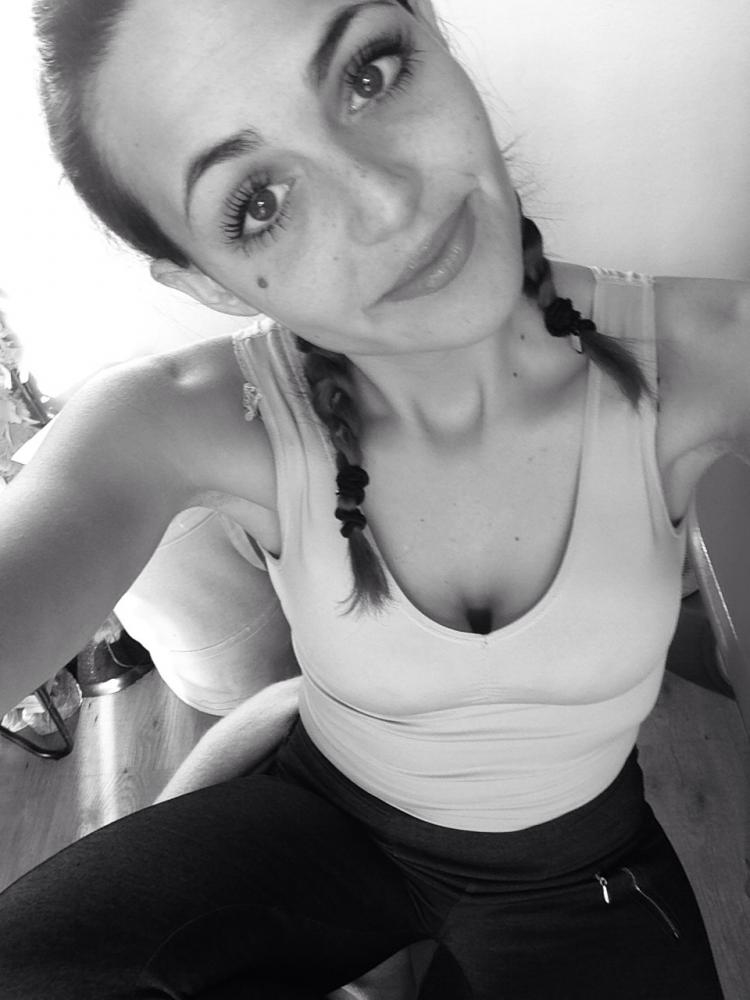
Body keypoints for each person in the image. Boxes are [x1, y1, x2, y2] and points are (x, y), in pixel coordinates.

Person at [0, 0, 746, 996]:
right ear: (207, 282)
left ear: (430, 27)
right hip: (323, 823)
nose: (387, 203)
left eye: (371, 73)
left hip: (582, 869)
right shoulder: (183, 416)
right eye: (258, 201)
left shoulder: (707, 351)